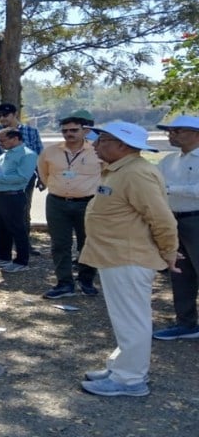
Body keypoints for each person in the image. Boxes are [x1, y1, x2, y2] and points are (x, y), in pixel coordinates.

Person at [78, 121, 178, 397]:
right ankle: (121, 366)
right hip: (116, 257)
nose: (96, 145)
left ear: (122, 145)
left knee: (132, 320)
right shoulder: (119, 171)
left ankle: (130, 379)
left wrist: (169, 250)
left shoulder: (136, 173)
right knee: (125, 319)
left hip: (129, 258)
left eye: (103, 141)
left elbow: (161, 218)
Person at [37, 110, 102, 299]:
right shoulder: (51, 151)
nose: (69, 134)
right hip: (57, 203)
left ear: (85, 131)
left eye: (74, 130)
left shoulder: (96, 151)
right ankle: (64, 283)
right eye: (65, 131)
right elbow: (44, 173)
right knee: (59, 244)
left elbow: (107, 175)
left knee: (88, 243)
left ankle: (86, 280)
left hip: (88, 203)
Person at [153, 115, 199, 341]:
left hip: (196, 219)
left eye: (178, 130)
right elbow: (154, 185)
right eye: (170, 131)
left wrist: (170, 188)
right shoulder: (168, 160)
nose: (172, 135)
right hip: (174, 220)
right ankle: (186, 323)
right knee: (180, 274)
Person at [0, 103, 44, 254]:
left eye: (5, 115)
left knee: (24, 210)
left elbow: (40, 155)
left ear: (15, 115)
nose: (2, 118)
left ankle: (23, 244)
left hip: (24, 178)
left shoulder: (31, 132)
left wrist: (42, 177)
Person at [0, 127, 38, 273]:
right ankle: (3, 257)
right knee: (1, 228)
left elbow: (22, 177)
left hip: (13, 196)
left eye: (2, 140)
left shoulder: (27, 155)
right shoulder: (5, 154)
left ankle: (21, 261)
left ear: (15, 139)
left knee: (17, 228)